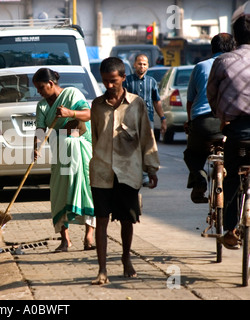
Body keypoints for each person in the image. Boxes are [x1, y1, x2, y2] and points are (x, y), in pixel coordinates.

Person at [90, 57, 160, 285]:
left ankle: (126, 257)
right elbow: (95, 138)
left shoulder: (137, 104)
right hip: (102, 171)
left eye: (113, 81)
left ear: (123, 78)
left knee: (127, 220)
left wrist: (151, 168)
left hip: (128, 171)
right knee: (101, 220)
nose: (109, 86)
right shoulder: (96, 105)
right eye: (105, 82)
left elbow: (147, 138)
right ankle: (102, 269)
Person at [32, 68, 96, 252]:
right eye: (37, 88)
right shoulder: (42, 106)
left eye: (41, 87)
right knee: (60, 193)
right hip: (60, 154)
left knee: (86, 190)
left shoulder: (72, 94)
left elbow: (88, 114)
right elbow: (40, 130)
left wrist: (70, 113)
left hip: (82, 152)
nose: (39, 92)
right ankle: (65, 239)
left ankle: (89, 237)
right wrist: (36, 148)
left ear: (51, 84)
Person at [207, 3, 250, 249]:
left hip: (236, 133)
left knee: (232, 177)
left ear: (236, 38)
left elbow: (211, 94)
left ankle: (231, 228)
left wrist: (221, 115)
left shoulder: (223, 61)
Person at [184, 33, 235, 204]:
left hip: (203, 123)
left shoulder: (200, 67)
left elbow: (190, 101)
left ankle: (199, 179)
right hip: (231, 122)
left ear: (212, 48)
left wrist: (190, 122)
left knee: (193, 154)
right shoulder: (238, 65)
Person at [124, 54, 165, 186]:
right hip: (130, 119)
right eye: (139, 63)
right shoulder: (127, 81)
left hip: (149, 119)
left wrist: (163, 118)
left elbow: (156, 101)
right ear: (134, 65)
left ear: (148, 66)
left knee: (147, 147)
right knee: (132, 146)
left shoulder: (152, 82)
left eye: (144, 64)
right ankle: (132, 173)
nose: (142, 66)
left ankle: (146, 175)